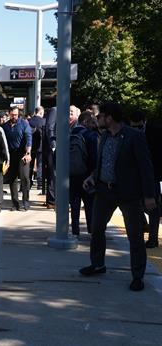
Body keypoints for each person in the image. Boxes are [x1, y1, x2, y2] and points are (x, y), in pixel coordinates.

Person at [79, 102, 157, 292]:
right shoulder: (105, 136)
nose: (98, 119)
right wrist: (92, 177)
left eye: (100, 116)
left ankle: (137, 276)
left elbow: (146, 167)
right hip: (104, 190)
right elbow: (103, 162)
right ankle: (98, 264)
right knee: (96, 228)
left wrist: (149, 195)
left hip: (128, 193)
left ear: (110, 117)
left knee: (135, 236)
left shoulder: (134, 137)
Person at [129, 109, 161, 248]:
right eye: (134, 127)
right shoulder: (129, 132)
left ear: (145, 121)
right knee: (134, 204)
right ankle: (143, 226)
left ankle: (153, 238)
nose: (136, 129)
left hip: (153, 173)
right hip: (135, 174)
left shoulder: (156, 131)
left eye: (139, 126)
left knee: (153, 207)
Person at [69, 111, 98, 236]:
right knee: (89, 204)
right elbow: (94, 157)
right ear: (85, 121)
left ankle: (75, 231)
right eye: (92, 122)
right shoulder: (91, 136)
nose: (94, 125)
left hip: (72, 174)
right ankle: (91, 231)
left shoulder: (70, 134)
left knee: (74, 204)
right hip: (87, 175)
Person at [3, 106, 32, 211]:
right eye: (12, 115)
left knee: (24, 177)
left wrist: (28, 153)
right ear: (9, 114)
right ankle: (15, 204)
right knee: (12, 179)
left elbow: (29, 139)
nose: (14, 116)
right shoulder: (5, 126)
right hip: (11, 155)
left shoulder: (24, 124)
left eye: (16, 114)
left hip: (23, 155)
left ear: (18, 114)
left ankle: (26, 202)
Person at [43, 107, 57, 208]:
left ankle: (52, 200)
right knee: (53, 174)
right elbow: (50, 127)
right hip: (53, 148)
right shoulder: (55, 110)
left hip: (59, 148)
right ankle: (51, 201)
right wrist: (53, 145)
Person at [29, 106, 45, 189]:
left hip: (31, 146)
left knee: (30, 165)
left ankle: (29, 182)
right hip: (41, 146)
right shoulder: (44, 121)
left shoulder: (30, 121)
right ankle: (40, 183)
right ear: (41, 112)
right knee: (40, 165)